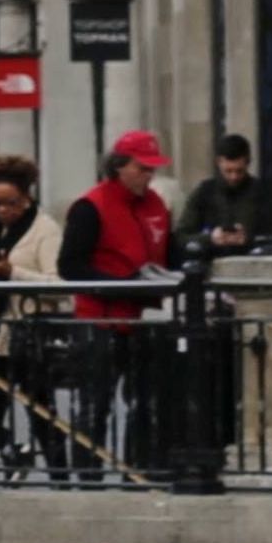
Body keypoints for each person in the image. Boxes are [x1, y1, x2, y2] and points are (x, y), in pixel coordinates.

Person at [58, 131, 181, 477]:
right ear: (119, 167)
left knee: (145, 404)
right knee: (95, 406)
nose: (148, 175)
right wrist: (121, 286)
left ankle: (140, 471)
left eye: (152, 169)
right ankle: (88, 476)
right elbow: (70, 266)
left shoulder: (156, 204)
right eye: (142, 168)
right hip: (100, 321)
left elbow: (170, 251)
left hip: (145, 318)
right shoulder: (90, 206)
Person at [0, 154, 66, 471]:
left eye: (10, 203)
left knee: (40, 409)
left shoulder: (45, 229)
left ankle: (60, 472)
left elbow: (58, 284)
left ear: (26, 198)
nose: (3, 210)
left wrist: (13, 272)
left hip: (29, 334)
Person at [179, 133, 267, 255]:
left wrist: (247, 238)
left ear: (248, 163)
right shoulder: (205, 192)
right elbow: (181, 237)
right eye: (228, 171)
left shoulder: (262, 192)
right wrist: (210, 238)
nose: (234, 177)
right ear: (219, 162)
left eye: (239, 171)